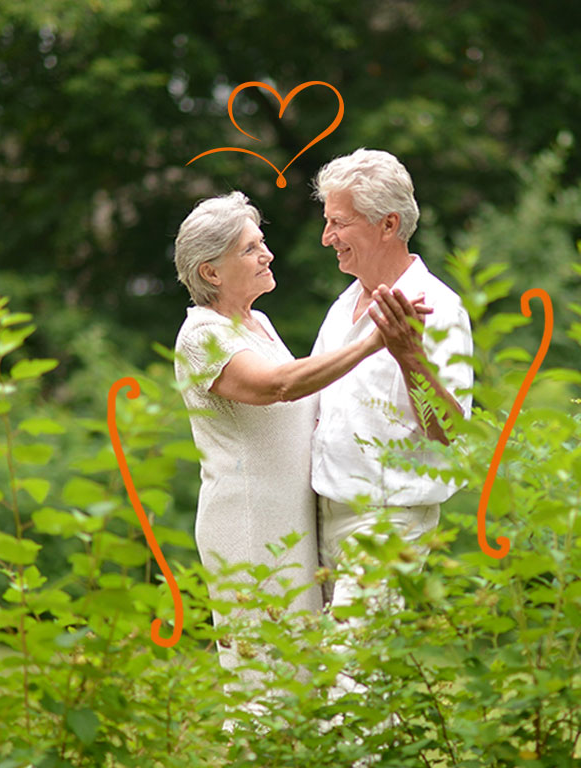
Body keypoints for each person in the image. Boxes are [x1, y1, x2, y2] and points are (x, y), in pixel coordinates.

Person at [170, 190, 421, 725]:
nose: (268, 255)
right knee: (263, 682)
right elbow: (279, 386)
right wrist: (375, 340)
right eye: (250, 249)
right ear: (211, 272)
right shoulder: (201, 335)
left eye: (262, 244)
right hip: (248, 523)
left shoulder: (256, 324)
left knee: (302, 677)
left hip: (292, 520)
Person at [310, 147, 474, 626]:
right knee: (340, 684)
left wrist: (409, 356)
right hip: (325, 514)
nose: (326, 238)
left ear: (387, 224)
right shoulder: (342, 307)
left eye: (339, 223)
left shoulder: (439, 309)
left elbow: (451, 431)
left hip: (389, 518)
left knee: (351, 680)